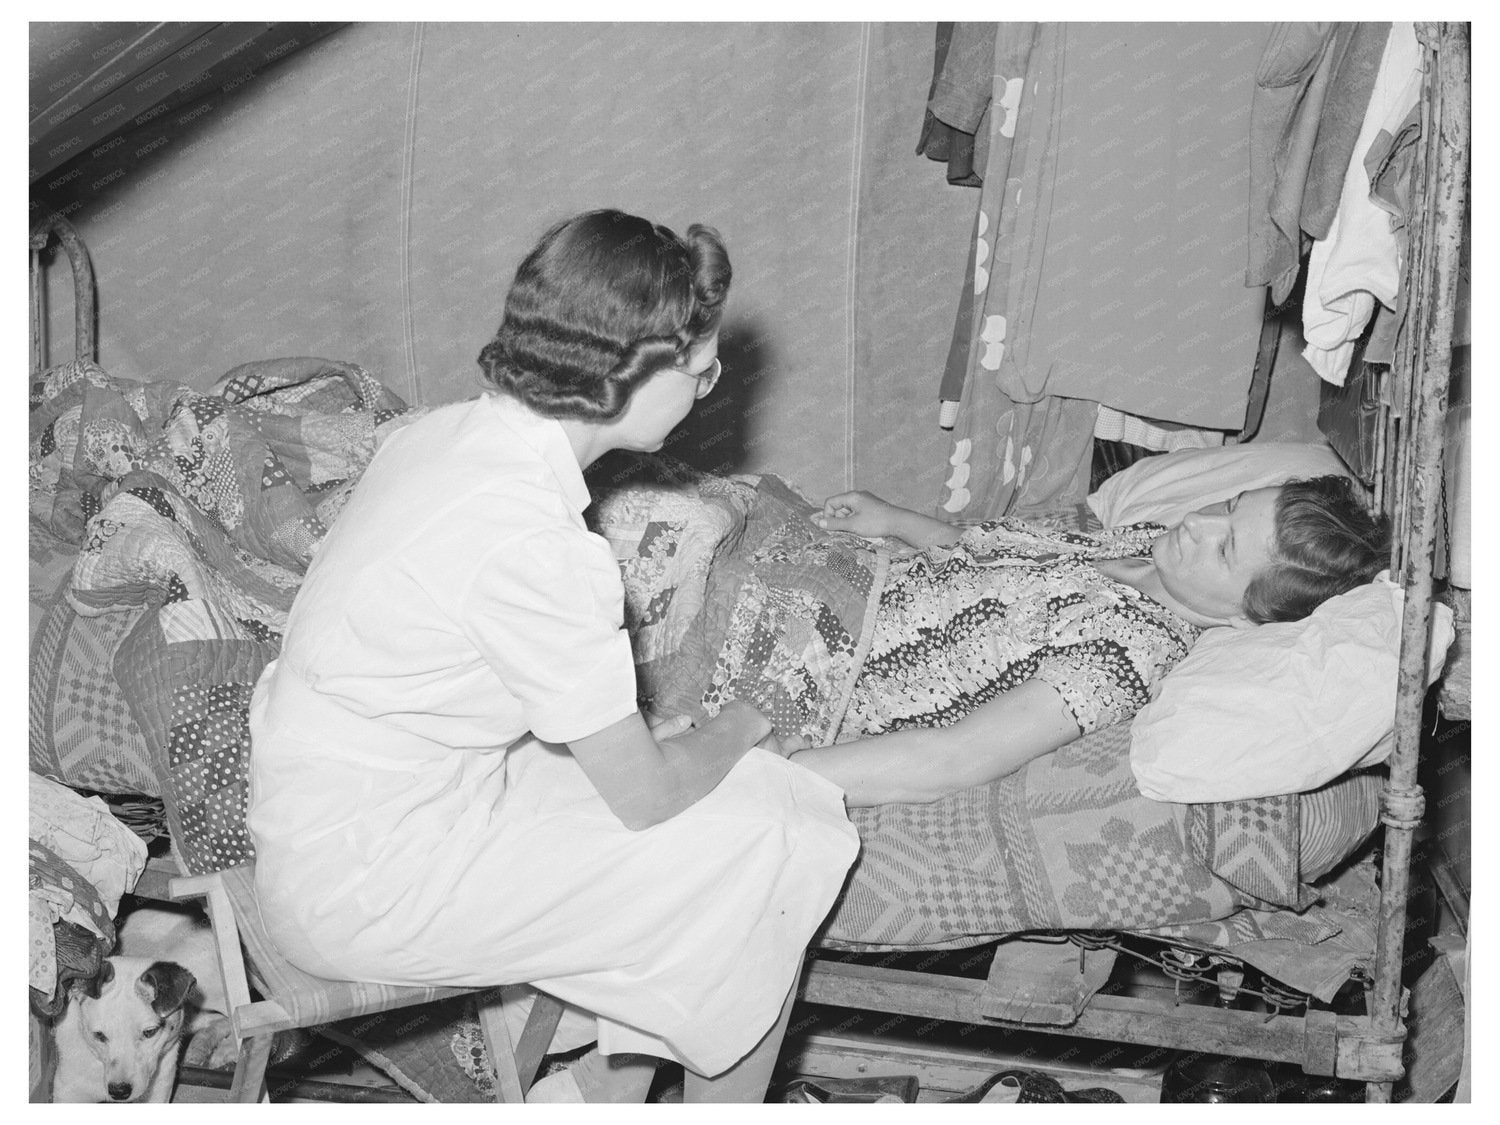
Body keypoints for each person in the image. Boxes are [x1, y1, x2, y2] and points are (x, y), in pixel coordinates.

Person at [245, 210, 858, 1103]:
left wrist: (663, 739)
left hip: (361, 807)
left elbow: (467, 669)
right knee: (771, 839)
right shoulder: (537, 544)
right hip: (372, 879)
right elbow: (645, 798)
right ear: (624, 372)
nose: (706, 391)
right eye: (699, 371)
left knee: (766, 813)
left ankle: (587, 1101)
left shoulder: (445, 435)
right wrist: (741, 722)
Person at [791, 476, 1390, 806]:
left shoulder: (1125, 654)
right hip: (829, 583)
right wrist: (895, 518)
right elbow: (992, 556)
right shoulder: (1148, 544)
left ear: (1247, 620)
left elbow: (955, 759)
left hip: (805, 667)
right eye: (1227, 506)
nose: (1198, 523)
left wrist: (774, 772)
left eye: (1226, 546)